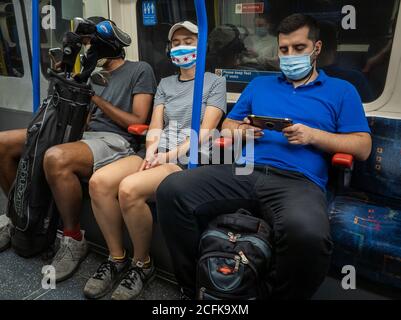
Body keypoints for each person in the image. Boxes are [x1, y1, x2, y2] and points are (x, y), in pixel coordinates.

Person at [156, 13, 372, 299]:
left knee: (308, 236)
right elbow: (228, 124)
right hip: (245, 170)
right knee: (172, 190)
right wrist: (241, 131)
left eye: (298, 48)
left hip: (297, 182)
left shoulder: (342, 91)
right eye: (284, 50)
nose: (289, 56)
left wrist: (313, 136)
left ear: (316, 49)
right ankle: (195, 286)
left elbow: (363, 146)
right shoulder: (260, 85)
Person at [0, 20, 157, 283]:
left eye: (88, 43)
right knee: (3, 143)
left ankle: (73, 239)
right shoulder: (88, 72)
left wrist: (94, 97)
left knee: (56, 157)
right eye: (83, 44)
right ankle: (17, 217)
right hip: (85, 135)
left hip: (116, 140)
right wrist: (66, 83)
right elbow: (79, 119)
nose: (86, 49)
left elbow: (136, 120)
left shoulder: (139, 70)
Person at [83, 21, 226, 300]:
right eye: (176, 43)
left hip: (186, 158)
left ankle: (142, 264)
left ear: (202, 45)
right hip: (157, 152)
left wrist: (167, 156)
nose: (181, 47)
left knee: (128, 189)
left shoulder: (214, 82)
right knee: (99, 182)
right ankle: (116, 259)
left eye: (188, 41)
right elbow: (156, 125)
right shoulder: (165, 83)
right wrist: (150, 152)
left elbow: (205, 132)